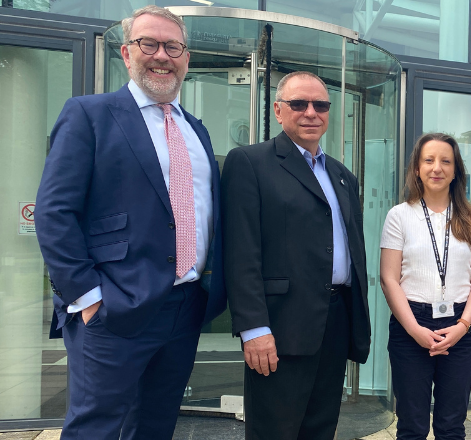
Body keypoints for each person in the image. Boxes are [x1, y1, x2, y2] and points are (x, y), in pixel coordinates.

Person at [34, 6, 226, 439]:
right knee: (95, 428)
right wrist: (86, 298)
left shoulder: (197, 131)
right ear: (126, 52)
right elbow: (55, 212)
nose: (162, 55)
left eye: (172, 46)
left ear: (186, 57)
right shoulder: (89, 115)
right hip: (114, 308)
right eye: (149, 44)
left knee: (154, 426)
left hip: (184, 307)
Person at [221, 71, 371, 440]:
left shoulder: (342, 176)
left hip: (335, 322)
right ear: (278, 110)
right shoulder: (250, 163)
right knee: (275, 431)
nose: (310, 113)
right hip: (280, 327)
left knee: (321, 429)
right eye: (299, 104)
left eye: (320, 105)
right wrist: (254, 328)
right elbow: (241, 252)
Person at [379, 133, 471, 440]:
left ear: (456, 171)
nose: (436, 168)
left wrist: (463, 326)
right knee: (411, 425)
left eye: (445, 161)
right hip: (411, 324)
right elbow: (389, 278)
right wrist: (414, 329)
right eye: (428, 160)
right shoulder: (399, 216)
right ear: (417, 168)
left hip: (459, 326)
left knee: (451, 425)